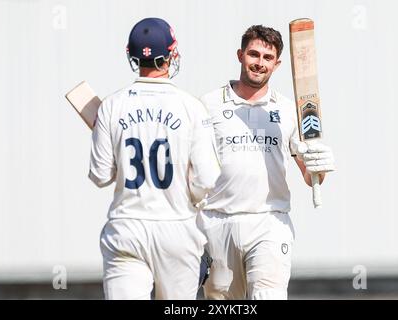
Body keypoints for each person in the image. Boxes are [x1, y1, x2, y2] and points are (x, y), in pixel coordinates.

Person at [197, 25, 335, 300]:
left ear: (277, 63)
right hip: (217, 222)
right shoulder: (208, 105)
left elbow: (309, 175)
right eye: (254, 54)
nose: (259, 63)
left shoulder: (288, 110)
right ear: (240, 55)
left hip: (269, 221)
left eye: (267, 58)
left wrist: (319, 167)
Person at [88, 17, 220, 300]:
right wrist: (192, 198)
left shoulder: (112, 105)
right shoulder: (191, 108)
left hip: (127, 229)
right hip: (177, 228)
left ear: (131, 55)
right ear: (172, 55)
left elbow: (100, 175)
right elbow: (207, 178)